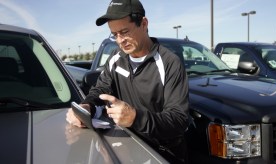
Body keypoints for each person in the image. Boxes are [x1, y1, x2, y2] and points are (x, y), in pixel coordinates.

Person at [66, 0, 189, 163]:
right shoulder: (116, 58)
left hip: (162, 153)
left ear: (144, 23)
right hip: (125, 145)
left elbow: (179, 119)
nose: (119, 40)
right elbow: (100, 90)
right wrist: (87, 107)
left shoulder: (169, 63)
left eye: (124, 31)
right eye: (114, 34)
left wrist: (135, 118)